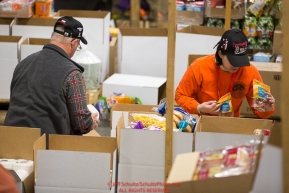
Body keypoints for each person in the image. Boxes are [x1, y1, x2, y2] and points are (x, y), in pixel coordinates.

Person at [4, 16, 100, 144]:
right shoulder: (72, 74)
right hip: (45, 149)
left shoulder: (24, 64)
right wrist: (91, 122)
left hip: (9, 142)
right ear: (74, 42)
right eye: (78, 46)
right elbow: (81, 124)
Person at [175, 29, 275, 118]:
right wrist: (199, 108)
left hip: (230, 125)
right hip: (201, 122)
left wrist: (266, 108)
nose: (238, 66)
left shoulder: (250, 71)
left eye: (241, 60)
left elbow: (260, 110)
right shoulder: (199, 67)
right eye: (233, 60)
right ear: (220, 53)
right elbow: (180, 95)